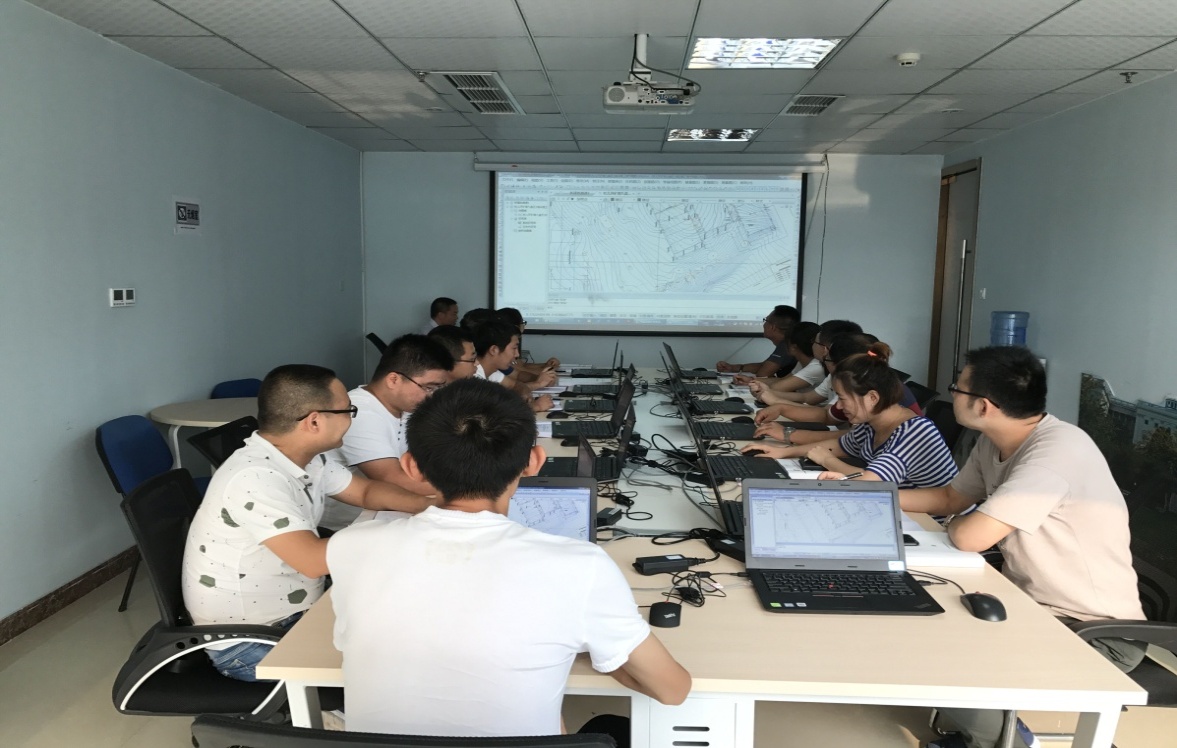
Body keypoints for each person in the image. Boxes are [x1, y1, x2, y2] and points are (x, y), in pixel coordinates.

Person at [328, 378, 692, 736]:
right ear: (534, 461)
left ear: (411, 466)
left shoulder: (349, 547)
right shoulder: (581, 567)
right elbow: (673, 690)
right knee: (612, 727)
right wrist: (605, 655)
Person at [899, 346, 1145, 748]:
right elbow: (949, 499)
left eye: (957, 388)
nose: (952, 393)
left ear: (982, 405)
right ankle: (991, 732)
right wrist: (869, 495)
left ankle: (1006, 741)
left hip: (1096, 632)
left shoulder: (1056, 453)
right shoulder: (995, 440)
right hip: (1035, 606)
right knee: (923, 618)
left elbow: (969, 536)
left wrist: (963, 522)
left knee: (942, 646)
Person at [181, 364, 436, 682]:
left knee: (407, 620)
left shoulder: (306, 458)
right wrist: (408, 536)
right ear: (314, 421)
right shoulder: (255, 478)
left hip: (298, 610)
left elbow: (366, 491)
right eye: (348, 410)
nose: (352, 418)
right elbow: (312, 561)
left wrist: (430, 507)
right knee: (392, 669)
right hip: (250, 642)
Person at [744, 343, 957, 489]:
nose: (839, 405)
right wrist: (782, 452)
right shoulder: (871, 423)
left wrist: (827, 460)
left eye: (843, 398)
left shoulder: (914, 431)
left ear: (872, 397)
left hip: (930, 525)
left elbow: (871, 482)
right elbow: (837, 445)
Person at [321, 334, 454, 530]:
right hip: (349, 524)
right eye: (428, 387)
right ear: (393, 379)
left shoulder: (405, 408)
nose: (432, 396)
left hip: (389, 511)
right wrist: (472, 490)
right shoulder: (359, 412)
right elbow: (392, 479)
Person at [471, 316, 555, 412]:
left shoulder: (492, 372)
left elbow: (516, 385)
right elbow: (491, 413)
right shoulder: (474, 377)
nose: (517, 354)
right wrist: (535, 407)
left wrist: (525, 392)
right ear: (494, 350)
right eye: (514, 348)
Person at [738, 321, 823, 395]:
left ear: (793, 347)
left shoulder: (815, 367)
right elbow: (783, 380)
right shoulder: (803, 362)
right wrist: (751, 380)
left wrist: (755, 384)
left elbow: (777, 387)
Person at [715, 305, 800, 377]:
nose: (764, 324)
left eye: (765, 321)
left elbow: (763, 375)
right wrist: (732, 368)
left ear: (772, 327)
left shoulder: (786, 345)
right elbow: (763, 366)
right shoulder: (788, 342)